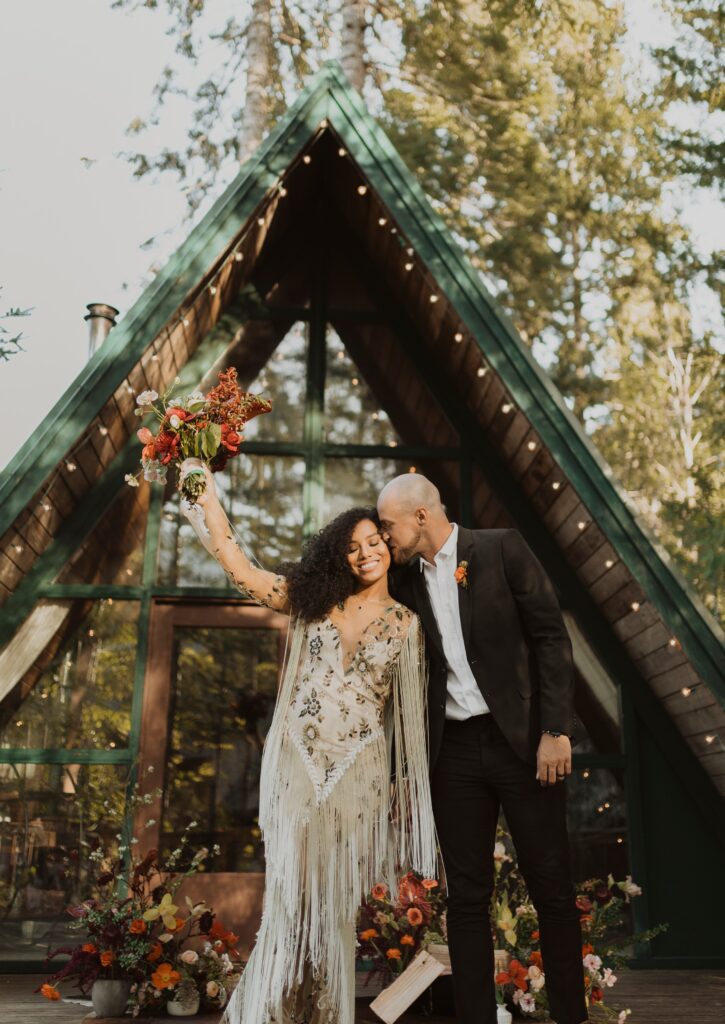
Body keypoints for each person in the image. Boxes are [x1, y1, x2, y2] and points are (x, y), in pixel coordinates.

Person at [179, 460, 437, 1024]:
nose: (366, 552)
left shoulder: (407, 626)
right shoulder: (312, 600)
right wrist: (206, 495)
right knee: (290, 896)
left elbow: (409, 724)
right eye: (352, 546)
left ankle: (326, 1012)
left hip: (358, 770)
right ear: (337, 556)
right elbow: (243, 571)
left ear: (389, 547)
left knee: (336, 905)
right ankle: (271, 1009)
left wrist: (399, 792)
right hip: (296, 762)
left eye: (374, 541)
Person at [377, 473, 588, 1024]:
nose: (384, 536)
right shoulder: (402, 584)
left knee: (552, 888)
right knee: (467, 899)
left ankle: (572, 1016)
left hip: (522, 744)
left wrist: (555, 729)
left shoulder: (501, 549)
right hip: (453, 753)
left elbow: (550, 636)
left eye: (387, 524)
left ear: (420, 516)